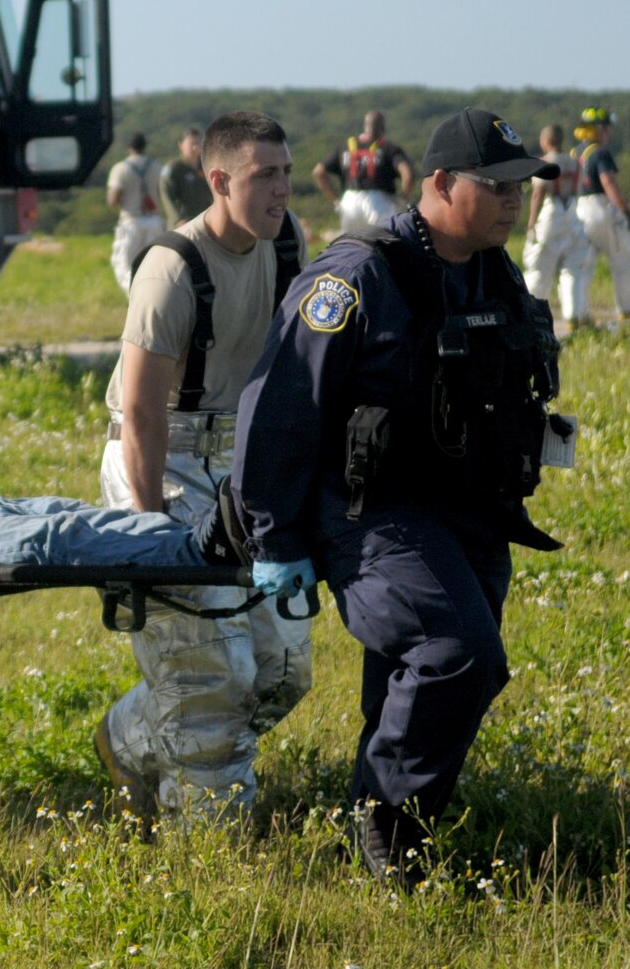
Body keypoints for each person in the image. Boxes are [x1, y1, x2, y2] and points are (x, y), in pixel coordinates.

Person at [233, 108, 568, 888]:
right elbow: (281, 408)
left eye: (523, 185)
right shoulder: (356, 276)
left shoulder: (492, 267)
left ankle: (388, 845)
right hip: (369, 512)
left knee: (427, 670)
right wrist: (274, 537)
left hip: (468, 510)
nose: (516, 200)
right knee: (458, 656)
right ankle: (384, 828)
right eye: (499, 186)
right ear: (441, 183)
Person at [94, 111, 312, 825]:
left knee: (283, 672)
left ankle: (128, 739)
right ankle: (214, 852)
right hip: (163, 458)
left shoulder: (289, 245)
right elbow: (142, 412)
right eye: (264, 176)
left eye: (285, 171)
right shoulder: (171, 267)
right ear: (219, 181)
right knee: (211, 675)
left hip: (242, 463)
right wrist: (151, 525)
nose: (282, 188)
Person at [571, 107, 630, 324]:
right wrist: (625, 211)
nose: (608, 133)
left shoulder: (575, 153)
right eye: (606, 128)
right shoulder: (600, 153)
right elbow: (608, 182)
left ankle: (577, 314)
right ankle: (629, 310)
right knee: (622, 259)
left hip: (579, 208)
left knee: (583, 264)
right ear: (599, 129)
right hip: (600, 207)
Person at [522, 123, 587, 330]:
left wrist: (531, 223)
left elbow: (538, 195)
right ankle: (573, 316)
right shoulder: (577, 163)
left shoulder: (545, 163)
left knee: (540, 267)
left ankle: (529, 311)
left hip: (551, 214)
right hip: (573, 214)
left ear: (546, 141)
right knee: (572, 270)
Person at [314, 110, 418, 235]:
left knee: (350, 246)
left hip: (349, 202)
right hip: (380, 202)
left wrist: (336, 200)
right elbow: (408, 173)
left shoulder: (345, 146)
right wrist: (402, 198)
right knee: (384, 246)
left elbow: (319, 172)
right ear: (383, 127)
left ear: (364, 126)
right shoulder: (389, 147)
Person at [106, 133, 167, 293]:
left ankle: (133, 295)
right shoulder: (157, 167)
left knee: (126, 264)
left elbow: (112, 200)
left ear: (128, 148)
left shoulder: (120, 168)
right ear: (144, 147)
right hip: (154, 221)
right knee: (155, 264)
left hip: (131, 222)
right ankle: (155, 294)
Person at [161, 126, 213, 223]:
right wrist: (177, 218)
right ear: (181, 145)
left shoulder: (205, 166)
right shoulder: (174, 168)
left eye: (198, 143)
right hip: (183, 222)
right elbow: (166, 193)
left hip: (203, 221)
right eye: (192, 144)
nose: (195, 147)